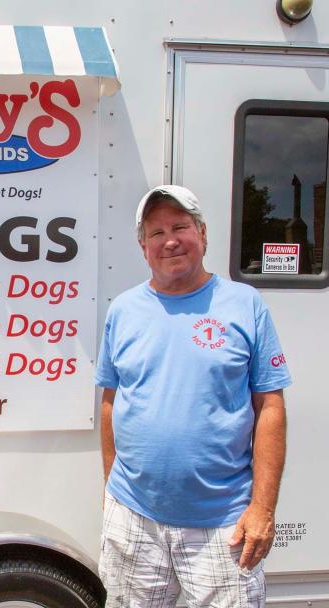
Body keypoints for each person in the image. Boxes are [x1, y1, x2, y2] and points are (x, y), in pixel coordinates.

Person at [95, 185, 291, 607]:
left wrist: (263, 509)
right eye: (156, 231)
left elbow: (270, 407)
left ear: (202, 233)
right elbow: (111, 400)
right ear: (142, 245)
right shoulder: (123, 310)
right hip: (135, 519)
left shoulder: (245, 304)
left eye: (180, 226)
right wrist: (111, 491)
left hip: (225, 523)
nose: (169, 240)